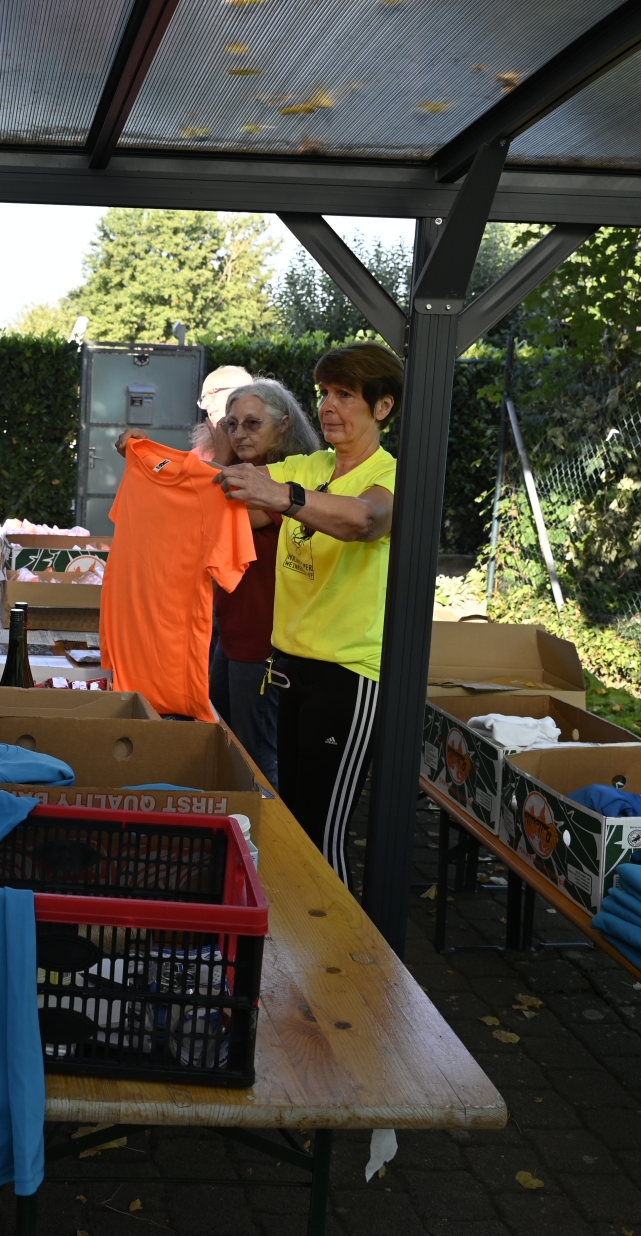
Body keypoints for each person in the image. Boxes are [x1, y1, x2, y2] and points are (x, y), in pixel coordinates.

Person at [212, 342, 400, 880]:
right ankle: (291, 924)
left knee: (322, 834)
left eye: (345, 395)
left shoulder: (390, 474)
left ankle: (340, 933)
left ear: (382, 406)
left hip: (347, 675)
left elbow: (365, 520)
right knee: (292, 822)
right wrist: (156, 465)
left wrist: (285, 499)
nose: (328, 406)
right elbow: (234, 500)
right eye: (323, 393)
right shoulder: (311, 466)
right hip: (289, 667)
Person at [209, 380, 320, 792]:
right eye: (231, 425)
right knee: (226, 744)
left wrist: (220, 457)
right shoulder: (251, 477)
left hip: (263, 643)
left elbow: (214, 512)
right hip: (233, 633)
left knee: (257, 759)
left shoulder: (279, 488)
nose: (239, 434)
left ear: (283, 425)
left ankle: (268, 830)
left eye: (252, 424)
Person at [189, 364, 253, 462]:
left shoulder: (270, 446)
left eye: (212, 393)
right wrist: (220, 458)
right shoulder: (198, 455)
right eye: (202, 399)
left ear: (241, 392)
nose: (204, 406)